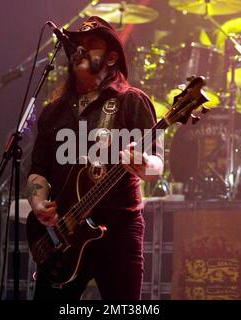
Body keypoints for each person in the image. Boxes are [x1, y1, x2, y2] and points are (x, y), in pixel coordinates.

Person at [26, 16, 164, 300]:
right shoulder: (53, 111)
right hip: (63, 233)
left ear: (112, 58)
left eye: (92, 45)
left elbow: (156, 166)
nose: (80, 49)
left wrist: (142, 164)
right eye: (77, 44)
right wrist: (38, 203)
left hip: (117, 232)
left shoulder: (131, 101)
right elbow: (38, 170)